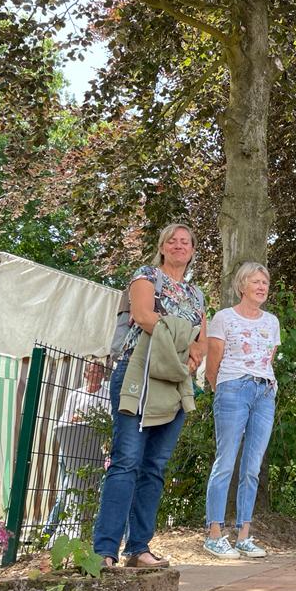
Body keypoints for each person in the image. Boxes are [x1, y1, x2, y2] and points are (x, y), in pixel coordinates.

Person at [92, 223, 207, 568]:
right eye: (172, 240)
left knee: (155, 467)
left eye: (185, 241)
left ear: (192, 250)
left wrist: (191, 356)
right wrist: (183, 340)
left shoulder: (197, 295)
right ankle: (105, 550)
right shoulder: (146, 276)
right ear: (162, 246)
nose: (178, 245)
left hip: (174, 382)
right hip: (138, 374)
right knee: (126, 461)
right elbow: (143, 316)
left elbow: (201, 341)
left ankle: (139, 548)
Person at [203, 262, 279, 559]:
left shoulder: (271, 322)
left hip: (265, 392)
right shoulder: (224, 318)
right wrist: (222, 389)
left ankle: (244, 536)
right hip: (233, 388)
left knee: (252, 466)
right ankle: (214, 535)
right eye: (256, 281)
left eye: (265, 282)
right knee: (226, 461)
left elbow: (267, 359)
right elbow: (212, 364)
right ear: (241, 286)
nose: (262, 287)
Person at [44, 358, 109, 540]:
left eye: (99, 371)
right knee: (65, 492)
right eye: (92, 371)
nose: (95, 375)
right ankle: (48, 533)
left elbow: (107, 422)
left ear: (103, 375)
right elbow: (64, 421)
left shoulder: (108, 396)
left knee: (93, 493)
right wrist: (82, 420)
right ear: (85, 374)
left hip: (94, 452)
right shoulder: (75, 395)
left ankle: (86, 532)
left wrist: (82, 419)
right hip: (71, 450)